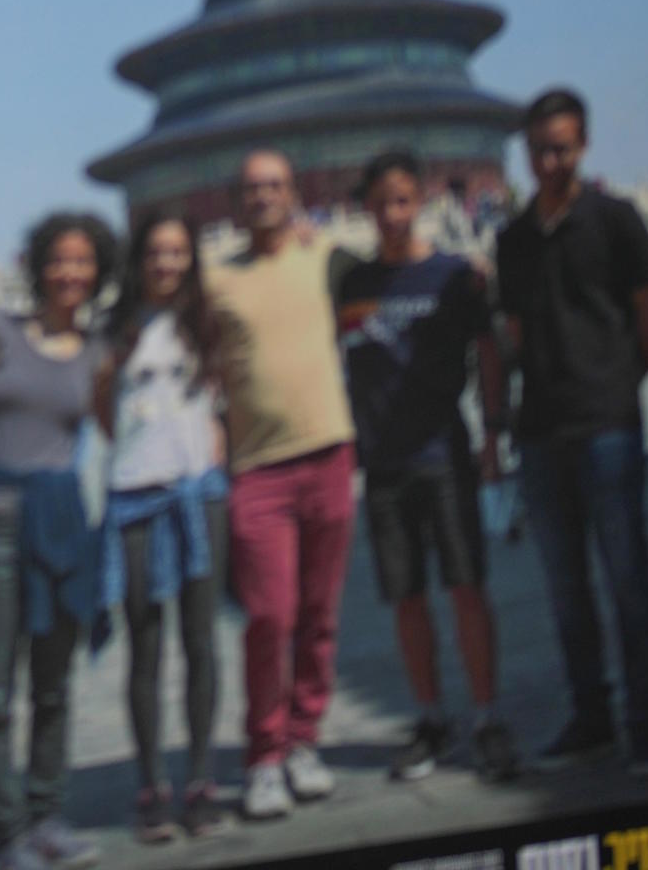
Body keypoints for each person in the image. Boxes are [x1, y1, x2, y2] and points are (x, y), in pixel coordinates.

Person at [0, 214, 118, 870]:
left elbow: (123, 427)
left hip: (61, 525)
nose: (71, 272)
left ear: (99, 272)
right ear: (40, 265)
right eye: (60, 259)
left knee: (56, 684)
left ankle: (47, 816)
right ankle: (6, 833)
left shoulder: (98, 351)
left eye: (83, 261)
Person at [496, 89, 648, 776]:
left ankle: (644, 721)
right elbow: (511, 330)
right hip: (540, 431)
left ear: (584, 145)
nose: (549, 161)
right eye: (539, 149)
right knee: (566, 588)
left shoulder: (616, 219)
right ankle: (591, 716)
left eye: (561, 147)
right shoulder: (512, 239)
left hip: (607, 425)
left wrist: (621, 378)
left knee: (628, 579)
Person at [336, 154, 520, 788]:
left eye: (403, 201)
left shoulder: (451, 276)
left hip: (445, 456)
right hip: (383, 467)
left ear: (420, 202)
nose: (392, 214)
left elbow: (490, 347)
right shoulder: (350, 284)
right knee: (407, 599)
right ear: (366, 207)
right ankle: (431, 718)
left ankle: (488, 717)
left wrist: (493, 431)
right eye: (381, 202)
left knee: (467, 588)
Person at [200, 148, 355, 823]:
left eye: (275, 185)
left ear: (295, 193)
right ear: (237, 202)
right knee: (268, 618)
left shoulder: (326, 258)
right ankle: (264, 754)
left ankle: (304, 741)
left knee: (320, 615)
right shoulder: (214, 279)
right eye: (252, 188)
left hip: (328, 457)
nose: (264, 196)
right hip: (257, 471)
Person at [95, 214, 229, 844]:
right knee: (144, 647)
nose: (168, 263)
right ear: (139, 259)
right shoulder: (117, 330)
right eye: (157, 252)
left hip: (199, 495)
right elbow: (99, 406)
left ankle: (200, 780)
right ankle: (152, 786)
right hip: (136, 501)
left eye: (179, 251)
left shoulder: (204, 322)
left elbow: (220, 397)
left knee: (201, 642)